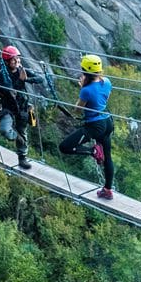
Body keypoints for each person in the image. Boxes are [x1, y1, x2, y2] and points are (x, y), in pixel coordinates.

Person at [58, 53, 115, 199]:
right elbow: (104, 99)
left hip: (95, 125)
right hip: (108, 122)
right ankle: (108, 190)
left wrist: (82, 88)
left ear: (85, 72)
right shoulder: (107, 82)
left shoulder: (86, 90)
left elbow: (77, 109)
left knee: (64, 147)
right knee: (108, 157)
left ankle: (93, 152)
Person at [0, 45, 35, 170]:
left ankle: (22, 159)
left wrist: (26, 79)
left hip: (22, 107)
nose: (17, 62)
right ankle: (17, 138)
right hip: (8, 108)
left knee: (23, 131)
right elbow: (0, 86)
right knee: (5, 130)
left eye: (18, 60)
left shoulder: (21, 70)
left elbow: (40, 79)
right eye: (14, 60)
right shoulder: (1, 75)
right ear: (7, 61)